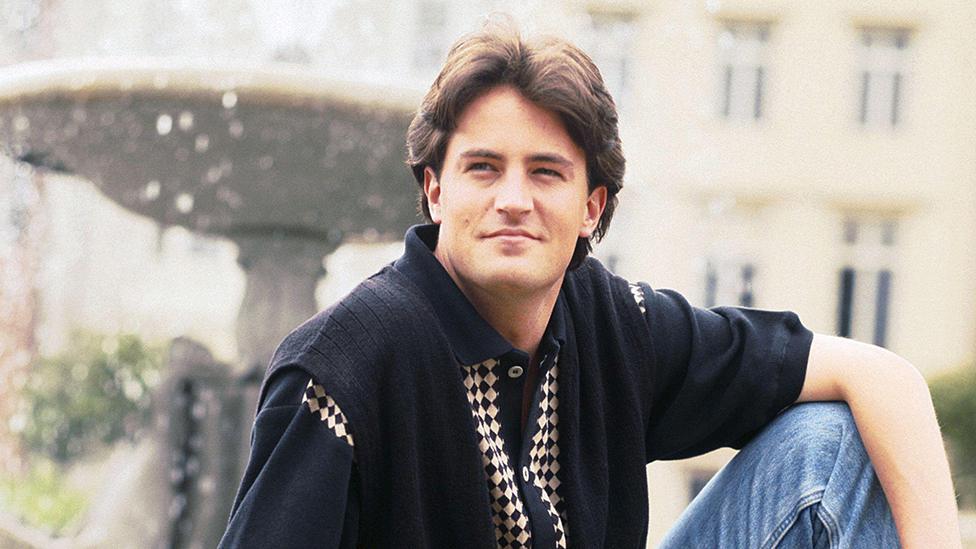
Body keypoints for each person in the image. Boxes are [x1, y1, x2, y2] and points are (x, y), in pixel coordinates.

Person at [218, 22, 961, 549]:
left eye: (546, 172)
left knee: (824, 443)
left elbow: (885, 378)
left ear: (591, 207)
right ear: (435, 188)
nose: (514, 198)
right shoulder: (340, 369)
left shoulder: (614, 323)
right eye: (484, 167)